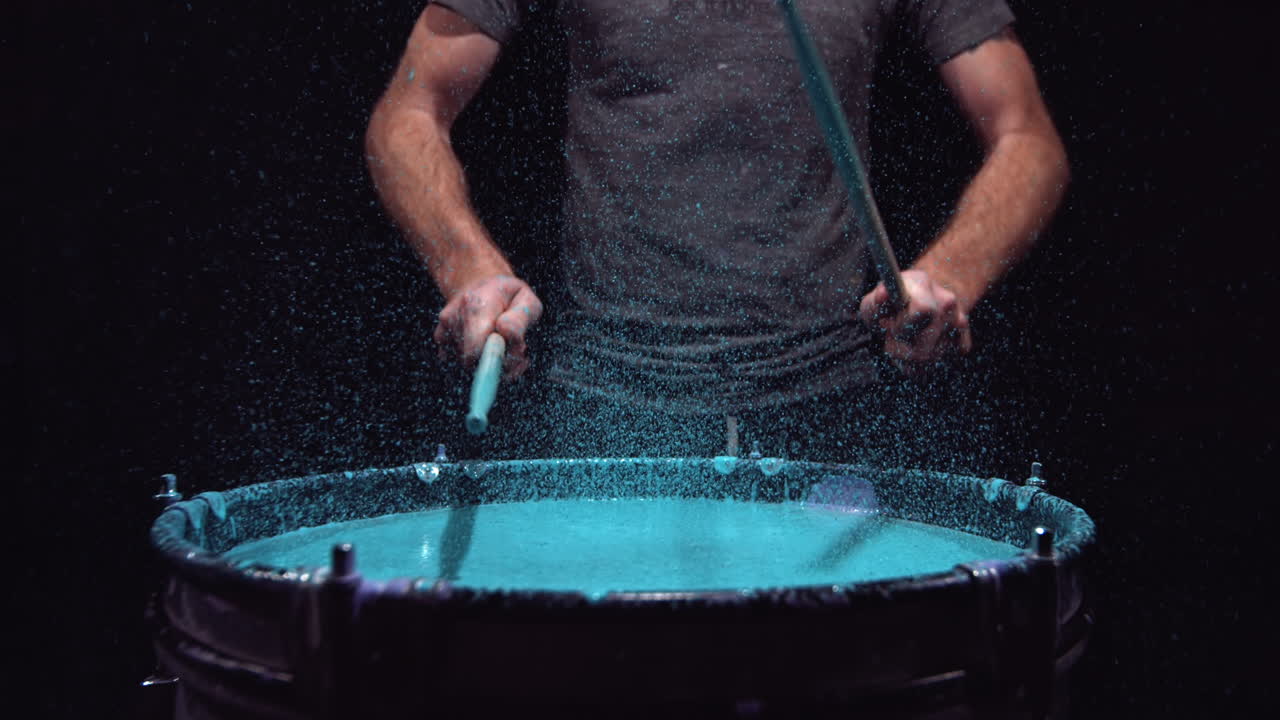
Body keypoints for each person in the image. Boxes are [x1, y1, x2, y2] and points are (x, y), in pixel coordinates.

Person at [365, 0, 1067, 465]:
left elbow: (1029, 139)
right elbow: (409, 112)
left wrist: (949, 277)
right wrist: (470, 271)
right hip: (604, 407)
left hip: (832, 409)